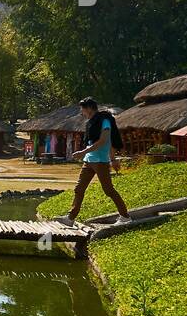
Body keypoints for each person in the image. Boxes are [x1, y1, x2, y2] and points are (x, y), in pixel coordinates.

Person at [55, 97, 132, 227]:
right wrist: (85, 154)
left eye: (83, 109)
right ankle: (70, 218)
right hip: (88, 161)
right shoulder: (90, 123)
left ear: (90, 108)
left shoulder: (105, 121)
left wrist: (111, 159)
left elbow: (105, 140)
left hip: (100, 161)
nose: (82, 112)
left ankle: (125, 216)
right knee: (79, 189)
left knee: (108, 190)